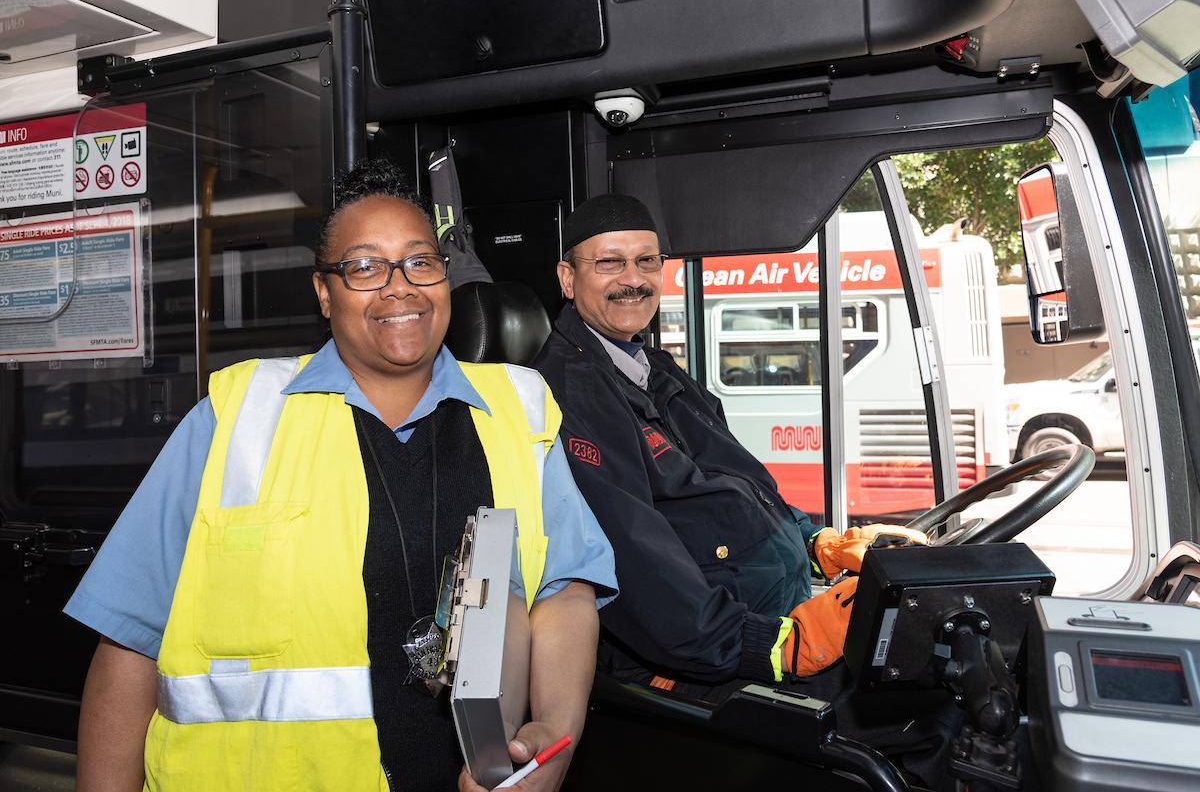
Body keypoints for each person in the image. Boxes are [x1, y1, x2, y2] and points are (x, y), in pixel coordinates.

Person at [66, 159, 617, 792]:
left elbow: (566, 588)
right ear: (324, 292)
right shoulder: (236, 416)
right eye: (364, 266)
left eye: (420, 261)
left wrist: (554, 735)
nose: (399, 287)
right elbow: (129, 646)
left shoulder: (520, 410)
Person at [532, 193, 927, 702]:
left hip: (756, 621)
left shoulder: (656, 368)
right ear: (568, 279)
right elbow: (631, 563)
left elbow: (739, 486)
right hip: (704, 662)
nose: (632, 278)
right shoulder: (569, 395)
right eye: (609, 262)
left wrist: (815, 545)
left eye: (646, 261)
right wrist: (780, 647)